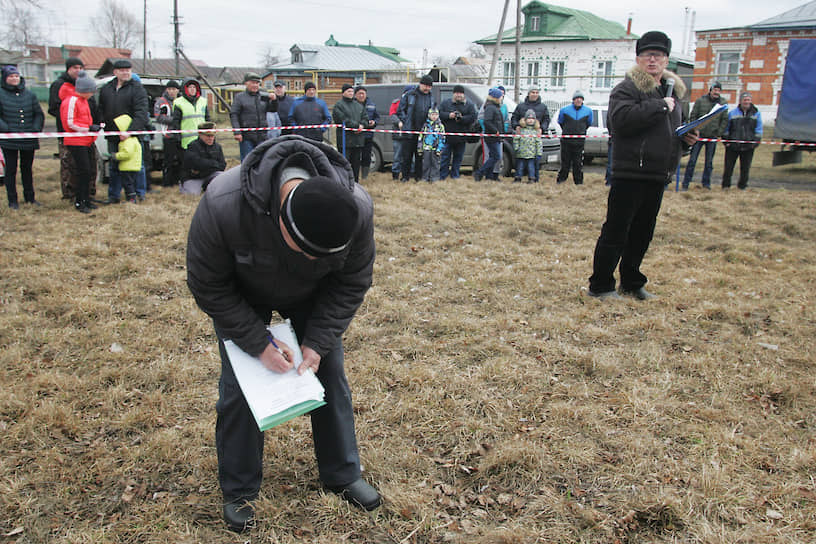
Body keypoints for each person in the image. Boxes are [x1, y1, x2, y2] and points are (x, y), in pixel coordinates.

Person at [186, 135, 382, 533]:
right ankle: (239, 490)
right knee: (241, 388)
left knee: (327, 376)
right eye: (306, 250)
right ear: (280, 218)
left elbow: (351, 283)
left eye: (323, 254)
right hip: (242, 290)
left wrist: (317, 342)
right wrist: (257, 343)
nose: (313, 258)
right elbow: (208, 285)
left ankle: (342, 474)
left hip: (314, 293)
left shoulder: (356, 209)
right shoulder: (223, 203)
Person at [588, 31, 697, 301]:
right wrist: (660, 107)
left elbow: (667, 135)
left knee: (642, 233)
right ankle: (600, 285)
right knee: (616, 231)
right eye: (647, 55)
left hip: (658, 174)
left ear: (666, 60)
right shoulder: (627, 89)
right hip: (629, 173)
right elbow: (621, 121)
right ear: (638, 59)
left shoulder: (673, 93)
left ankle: (632, 282)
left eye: (658, 55)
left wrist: (687, 142)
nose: (653, 60)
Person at [97, 59, 148, 204]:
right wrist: (100, 122)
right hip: (113, 135)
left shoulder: (137, 89)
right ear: (115, 72)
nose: (126, 72)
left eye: (128, 70)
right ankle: (114, 196)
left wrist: (130, 131)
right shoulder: (107, 88)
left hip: (132, 136)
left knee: (137, 166)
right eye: (122, 70)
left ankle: (139, 194)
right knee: (114, 165)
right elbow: (101, 108)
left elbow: (142, 113)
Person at [48, 56, 98, 201]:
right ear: (68, 69)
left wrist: (93, 125)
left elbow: (93, 108)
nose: (78, 70)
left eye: (81, 68)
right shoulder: (62, 88)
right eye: (75, 68)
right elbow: (58, 111)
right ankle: (71, 194)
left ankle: (87, 195)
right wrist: (82, 126)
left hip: (87, 136)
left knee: (88, 169)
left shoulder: (85, 95)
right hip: (72, 135)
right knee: (71, 166)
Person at [0, 65, 44, 209]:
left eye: (16, 76)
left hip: (28, 138)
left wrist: (35, 129)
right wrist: (6, 129)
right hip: (9, 138)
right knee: (11, 170)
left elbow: (38, 113)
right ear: (5, 78)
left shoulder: (29, 94)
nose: (14, 79)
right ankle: (12, 200)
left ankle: (30, 197)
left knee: (27, 168)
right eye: (11, 76)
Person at [59, 71, 101, 214]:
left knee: (88, 172)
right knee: (82, 171)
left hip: (86, 140)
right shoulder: (71, 101)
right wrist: (88, 128)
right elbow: (70, 123)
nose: (92, 94)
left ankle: (86, 199)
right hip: (76, 141)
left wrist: (92, 128)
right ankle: (79, 201)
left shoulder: (84, 101)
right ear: (84, 90)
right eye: (91, 91)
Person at [682, 81, 728, 190]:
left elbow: (724, 119)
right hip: (698, 135)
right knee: (692, 161)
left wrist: (718, 133)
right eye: (714, 90)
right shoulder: (700, 101)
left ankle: (706, 184)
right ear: (710, 90)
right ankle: (686, 184)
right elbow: (693, 116)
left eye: (718, 90)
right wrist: (694, 130)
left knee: (709, 162)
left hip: (712, 137)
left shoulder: (723, 103)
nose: (716, 92)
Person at [230, 73, 278, 161]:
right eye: (253, 82)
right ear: (246, 83)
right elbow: (234, 114)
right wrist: (237, 132)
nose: (255, 85)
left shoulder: (263, 96)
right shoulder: (240, 97)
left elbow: (272, 110)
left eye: (257, 83)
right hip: (247, 137)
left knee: (262, 161)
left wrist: (274, 100)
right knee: (247, 161)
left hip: (262, 136)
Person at [397, 75, 436, 182]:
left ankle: (418, 177)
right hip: (409, 132)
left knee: (420, 157)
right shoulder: (410, 95)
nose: (427, 88)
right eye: (425, 85)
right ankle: (405, 177)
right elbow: (400, 110)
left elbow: (434, 113)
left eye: (429, 86)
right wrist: (406, 121)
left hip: (423, 133)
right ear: (420, 84)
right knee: (407, 157)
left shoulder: (431, 98)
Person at [721, 92, 762, 191]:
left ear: (751, 101)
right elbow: (726, 128)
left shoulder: (756, 114)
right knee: (728, 168)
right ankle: (726, 186)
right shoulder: (732, 113)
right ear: (740, 101)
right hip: (733, 146)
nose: (746, 102)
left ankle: (742, 186)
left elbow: (759, 129)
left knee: (745, 168)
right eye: (745, 100)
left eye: (748, 100)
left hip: (748, 146)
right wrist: (726, 141)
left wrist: (755, 142)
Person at [439, 84, 477, 180]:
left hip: (461, 137)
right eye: (456, 93)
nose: (458, 95)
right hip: (447, 136)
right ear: (453, 94)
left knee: (458, 158)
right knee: (445, 158)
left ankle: (455, 176)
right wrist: (449, 115)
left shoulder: (469, 105)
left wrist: (462, 119)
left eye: (460, 93)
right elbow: (439, 114)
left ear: (463, 94)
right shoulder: (445, 103)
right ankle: (443, 176)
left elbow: (473, 117)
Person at [332, 83, 368, 182]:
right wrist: (355, 126)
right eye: (349, 91)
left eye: (352, 91)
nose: (351, 93)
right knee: (344, 164)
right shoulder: (339, 105)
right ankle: (343, 182)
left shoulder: (359, 106)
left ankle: (355, 183)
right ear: (343, 93)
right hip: (345, 141)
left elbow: (365, 118)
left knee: (356, 164)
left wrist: (362, 126)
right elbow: (342, 119)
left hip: (358, 140)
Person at [511, 85, 551, 177]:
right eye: (533, 92)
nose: (535, 94)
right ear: (528, 94)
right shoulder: (521, 106)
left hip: (535, 138)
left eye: (537, 92)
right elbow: (514, 118)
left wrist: (542, 128)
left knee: (535, 161)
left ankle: (534, 178)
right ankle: (519, 176)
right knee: (520, 161)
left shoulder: (543, 107)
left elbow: (546, 119)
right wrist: (516, 126)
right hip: (523, 139)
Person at [556, 90, 593, 185]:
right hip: (566, 141)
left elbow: (588, 123)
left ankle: (579, 182)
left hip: (579, 142)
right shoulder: (564, 110)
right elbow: (561, 122)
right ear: (573, 100)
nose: (579, 100)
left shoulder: (588, 111)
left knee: (578, 163)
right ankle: (561, 181)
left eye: (580, 99)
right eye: (577, 98)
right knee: (565, 163)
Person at [180, 121, 226, 195]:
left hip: (210, 175)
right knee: (192, 194)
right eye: (208, 136)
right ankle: (184, 186)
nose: (211, 138)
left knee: (222, 178)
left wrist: (207, 165)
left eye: (212, 136)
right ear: (200, 135)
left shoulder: (217, 147)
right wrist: (213, 163)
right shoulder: (192, 146)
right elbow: (196, 163)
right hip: (194, 177)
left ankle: (208, 187)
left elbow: (222, 165)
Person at [154, 80, 182, 187]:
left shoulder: (181, 101)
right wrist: (175, 120)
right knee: (168, 161)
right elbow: (159, 117)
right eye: (170, 89)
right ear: (166, 90)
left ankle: (179, 180)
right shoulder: (161, 102)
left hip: (181, 135)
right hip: (168, 135)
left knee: (181, 160)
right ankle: (167, 182)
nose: (172, 92)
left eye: (174, 89)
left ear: (178, 90)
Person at [473, 87, 504, 182]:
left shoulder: (494, 107)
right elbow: (487, 121)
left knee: (492, 156)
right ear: (496, 97)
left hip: (496, 137)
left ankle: (489, 176)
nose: (502, 97)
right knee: (496, 156)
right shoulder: (490, 108)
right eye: (501, 96)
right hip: (492, 137)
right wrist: (495, 131)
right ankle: (480, 172)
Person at [172, 78, 211, 153]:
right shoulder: (178, 102)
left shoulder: (203, 101)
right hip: (186, 142)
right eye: (190, 87)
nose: (192, 89)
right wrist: (177, 138)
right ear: (185, 89)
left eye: (194, 87)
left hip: (202, 140)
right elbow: (176, 122)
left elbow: (207, 119)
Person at [111, 114, 141, 203]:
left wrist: (116, 156)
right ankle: (132, 197)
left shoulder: (128, 142)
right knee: (131, 184)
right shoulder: (133, 140)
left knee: (128, 184)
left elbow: (127, 154)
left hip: (127, 167)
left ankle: (131, 199)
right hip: (133, 166)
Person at [389, 85, 414, 180]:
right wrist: (399, 122)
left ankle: (409, 173)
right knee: (397, 156)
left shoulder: (413, 103)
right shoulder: (396, 103)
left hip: (410, 134)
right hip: (398, 134)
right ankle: (395, 174)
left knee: (409, 156)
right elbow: (392, 114)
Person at [355, 86, 379, 179]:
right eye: (359, 93)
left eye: (363, 93)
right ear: (355, 95)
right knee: (356, 157)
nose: (361, 95)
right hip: (356, 135)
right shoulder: (353, 104)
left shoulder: (371, 105)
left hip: (368, 135)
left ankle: (365, 176)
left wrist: (374, 122)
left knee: (367, 156)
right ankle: (355, 174)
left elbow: (377, 117)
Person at [513, 110, 542, 183]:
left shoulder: (536, 131)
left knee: (531, 167)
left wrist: (539, 153)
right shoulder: (521, 130)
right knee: (520, 167)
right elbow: (516, 139)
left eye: (532, 119)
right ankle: (518, 178)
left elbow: (539, 143)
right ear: (525, 119)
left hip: (531, 154)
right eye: (529, 118)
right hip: (521, 153)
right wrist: (516, 148)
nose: (530, 120)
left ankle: (531, 178)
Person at [418, 107, 445, 182]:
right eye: (432, 114)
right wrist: (420, 148)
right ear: (429, 115)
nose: (434, 116)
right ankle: (425, 178)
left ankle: (434, 178)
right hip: (426, 148)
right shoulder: (425, 126)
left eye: (436, 114)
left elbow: (442, 138)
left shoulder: (440, 126)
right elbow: (420, 137)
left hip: (435, 149)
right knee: (426, 164)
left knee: (435, 164)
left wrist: (440, 149)